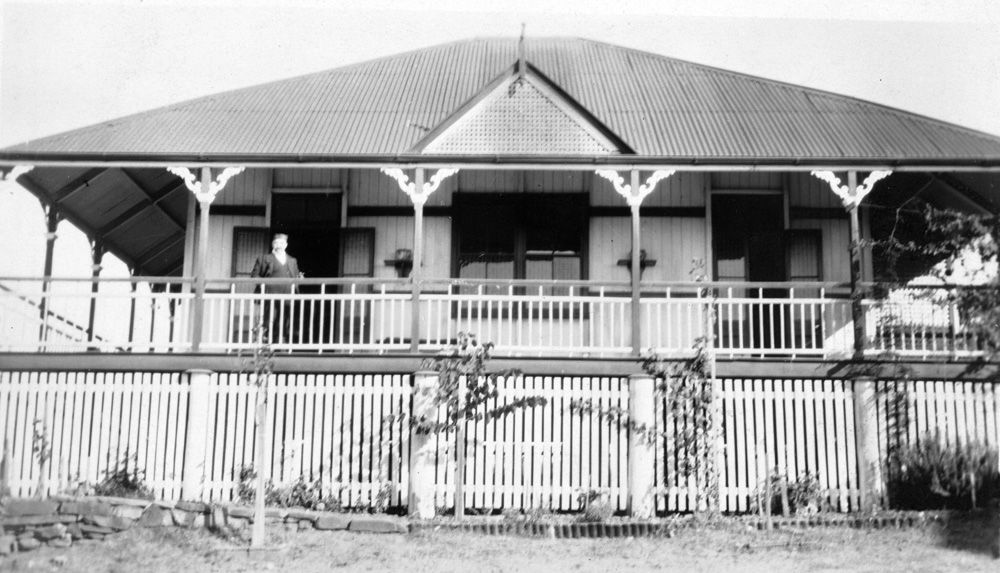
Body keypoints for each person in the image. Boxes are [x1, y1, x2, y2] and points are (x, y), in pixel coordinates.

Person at [250, 233, 301, 344]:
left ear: (286, 245)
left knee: (285, 319)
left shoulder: (292, 260)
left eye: (281, 243)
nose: (279, 245)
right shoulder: (264, 259)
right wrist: (264, 285)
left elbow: (296, 276)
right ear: (272, 244)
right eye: (276, 243)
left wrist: (300, 278)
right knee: (269, 319)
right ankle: (267, 343)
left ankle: (281, 343)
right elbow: (254, 275)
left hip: (287, 294)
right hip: (270, 294)